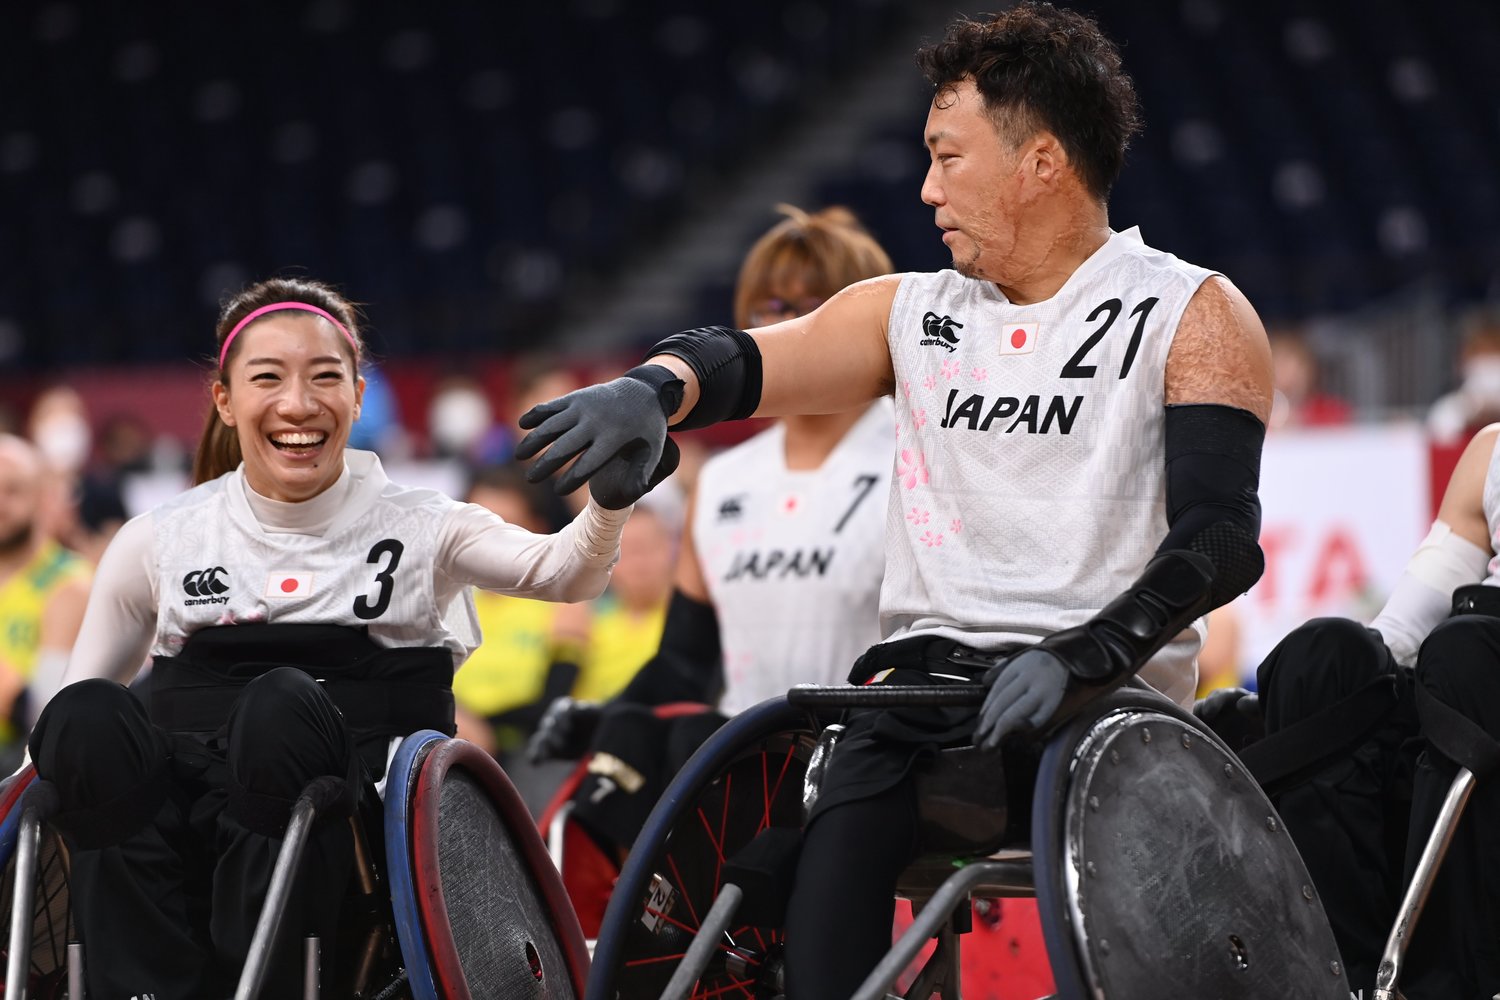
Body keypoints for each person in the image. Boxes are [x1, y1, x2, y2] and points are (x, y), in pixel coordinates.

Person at [515, 6, 1271, 997]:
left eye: (947, 156)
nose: (925, 188)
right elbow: (749, 359)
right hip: (918, 700)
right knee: (828, 823)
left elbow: (1220, 541)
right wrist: (653, 389)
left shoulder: (1192, 310)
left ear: (1040, 161)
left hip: (1103, 700)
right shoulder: (914, 313)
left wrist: (1085, 654)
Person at [27, 276, 636, 1000]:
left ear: (356, 394)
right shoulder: (161, 538)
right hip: (178, 822)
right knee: (83, 715)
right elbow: (74, 713)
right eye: (267, 378)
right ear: (225, 400)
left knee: (278, 704)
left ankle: (266, 979)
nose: (297, 403)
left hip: (351, 824)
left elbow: (565, 573)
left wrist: (611, 496)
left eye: (324, 377)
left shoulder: (421, 520)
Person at [527, 204, 896, 853]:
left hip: (873, 776)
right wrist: (602, 717)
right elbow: (683, 660)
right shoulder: (724, 480)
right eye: (770, 308)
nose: (785, 329)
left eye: (811, 309)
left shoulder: (913, 459)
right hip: (747, 774)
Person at [1251, 421, 1500, 998]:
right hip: (1468, 690)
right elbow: (1399, 637)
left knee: (1465, 655)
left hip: (1479, 678)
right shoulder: (1490, 451)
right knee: (1326, 657)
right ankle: (1338, 975)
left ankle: (1450, 983)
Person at [0, 435, 91, 758]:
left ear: (42, 497)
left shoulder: (69, 584)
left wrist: (9, 689)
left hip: (24, 757)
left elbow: (49, 710)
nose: (1, 503)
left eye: (13, 490)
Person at [1427, 307, 1500, 446]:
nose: (1488, 362)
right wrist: (1471, 420)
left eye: (1495, 351)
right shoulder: (1447, 410)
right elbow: (1441, 444)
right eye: (1481, 351)